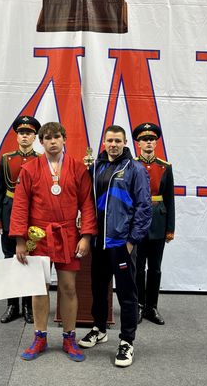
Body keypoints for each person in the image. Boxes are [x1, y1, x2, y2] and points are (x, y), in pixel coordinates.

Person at [10, 122, 97, 362]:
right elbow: (20, 206)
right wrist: (20, 240)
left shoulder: (77, 168)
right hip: (38, 236)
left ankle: (69, 338)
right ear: (41, 142)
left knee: (68, 287)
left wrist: (86, 236)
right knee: (39, 288)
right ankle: (40, 337)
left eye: (56, 137)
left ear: (64, 139)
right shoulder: (29, 169)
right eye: (47, 138)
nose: (52, 141)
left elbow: (87, 204)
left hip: (67, 235)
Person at [79, 125, 151, 368]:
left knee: (127, 294)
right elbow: (86, 200)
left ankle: (127, 341)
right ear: (104, 142)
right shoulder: (96, 166)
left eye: (118, 141)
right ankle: (99, 329)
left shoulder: (135, 169)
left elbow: (144, 207)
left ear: (125, 143)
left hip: (121, 243)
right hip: (99, 241)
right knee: (98, 288)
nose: (113, 145)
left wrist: (132, 241)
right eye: (110, 140)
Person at [0, 115, 41, 324]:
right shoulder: (6, 159)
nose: (25, 136)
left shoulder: (40, 159)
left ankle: (29, 305)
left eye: (29, 133)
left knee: (29, 259)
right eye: (21, 133)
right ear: (17, 136)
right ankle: (12, 305)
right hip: (9, 212)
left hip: (32, 214)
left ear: (35, 137)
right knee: (9, 258)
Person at [132, 122, 175, 326]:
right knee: (138, 267)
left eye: (151, 139)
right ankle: (139, 305)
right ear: (138, 143)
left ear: (156, 143)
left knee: (155, 268)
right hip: (138, 221)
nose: (148, 142)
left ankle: (152, 307)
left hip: (158, 220)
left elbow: (170, 199)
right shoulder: (132, 165)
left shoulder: (165, 167)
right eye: (144, 139)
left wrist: (170, 228)